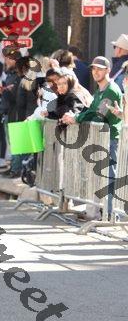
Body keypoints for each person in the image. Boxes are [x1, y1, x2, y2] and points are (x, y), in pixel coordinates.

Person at [62, 56, 122, 216]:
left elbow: (99, 115)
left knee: (108, 177)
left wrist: (76, 119)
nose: (95, 72)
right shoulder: (100, 90)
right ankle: (99, 213)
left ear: (108, 70)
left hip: (109, 138)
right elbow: (91, 111)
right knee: (98, 177)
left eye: (99, 69)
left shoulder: (111, 90)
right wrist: (76, 117)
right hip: (100, 138)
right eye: (94, 69)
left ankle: (110, 214)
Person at [0, 46, 21, 176]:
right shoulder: (11, 74)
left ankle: (16, 168)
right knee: (12, 142)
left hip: (15, 113)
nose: (6, 61)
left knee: (16, 142)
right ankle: (13, 166)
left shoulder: (19, 75)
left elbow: (16, 96)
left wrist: (5, 91)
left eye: (9, 58)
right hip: (8, 111)